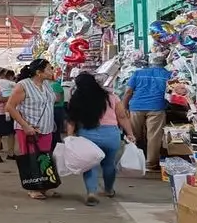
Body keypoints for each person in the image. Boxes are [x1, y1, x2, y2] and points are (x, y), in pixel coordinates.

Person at [67, 72, 136, 205]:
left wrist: (70, 136)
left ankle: (91, 192)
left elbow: (71, 120)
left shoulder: (76, 99)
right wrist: (130, 133)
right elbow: (122, 116)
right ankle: (109, 190)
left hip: (87, 135)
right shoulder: (111, 97)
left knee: (89, 165)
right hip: (111, 135)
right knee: (109, 165)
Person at [5, 59, 58, 200]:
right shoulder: (23, 86)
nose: (52, 71)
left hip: (46, 128)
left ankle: (44, 185)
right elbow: (10, 107)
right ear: (38, 72)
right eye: (49, 68)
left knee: (44, 158)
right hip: (28, 130)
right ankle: (33, 188)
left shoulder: (47, 84)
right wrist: (25, 125)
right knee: (31, 159)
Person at [122, 52, 172, 177]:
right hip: (156, 107)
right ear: (165, 64)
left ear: (152, 63)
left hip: (136, 107)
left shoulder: (138, 73)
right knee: (154, 136)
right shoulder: (167, 75)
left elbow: (128, 92)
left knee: (133, 134)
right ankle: (151, 164)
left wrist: (124, 107)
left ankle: (130, 161)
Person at [51, 74, 67, 150]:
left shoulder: (55, 85)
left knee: (55, 131)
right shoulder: (50, 85)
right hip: (54, 109)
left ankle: (57, 148)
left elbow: (57, 99)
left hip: (57, 110)